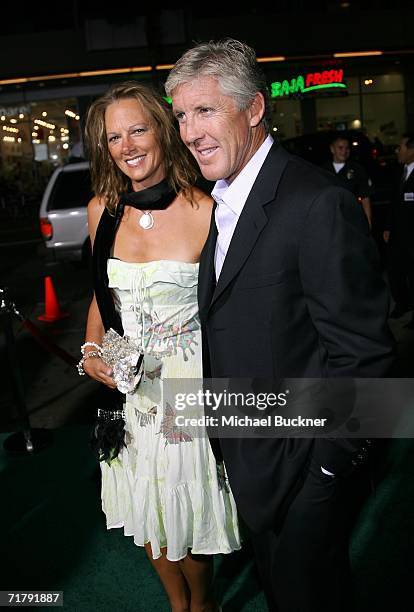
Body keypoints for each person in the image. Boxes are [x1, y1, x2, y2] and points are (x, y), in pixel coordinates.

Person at [166, 39, 395, 612]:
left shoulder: (317, 202)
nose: (190, 131)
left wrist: (325, 475)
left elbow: (366, 357)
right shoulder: (222, 199)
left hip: (304, 475)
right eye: (181, 115)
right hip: (254, 466)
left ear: (254, 109)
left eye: (205, 110)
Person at [81, 81, 240, 612]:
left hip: (185, 386)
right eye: (113, 136)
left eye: (138, 129)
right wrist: (90, 350)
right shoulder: (100, 209)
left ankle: (204, 603)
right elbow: (102, 297)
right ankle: (178, 603)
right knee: (144, 498)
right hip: (129, 390)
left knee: (185, 506)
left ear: (163, 130)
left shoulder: (207, 209)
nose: (126, 145)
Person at [383, 133, 414, 327]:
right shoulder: (399, 172)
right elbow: (393, 203)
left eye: (400, 147)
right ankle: (402, 304)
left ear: (411, 150)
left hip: (412, 237)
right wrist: (387, 227)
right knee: (395, 273)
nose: (397, 151)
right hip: (397, 235)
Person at [322, 133, 373, 228]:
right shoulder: (323, 170)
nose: (344, 151)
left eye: (347, 148)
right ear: (332, 149)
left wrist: (368, 223)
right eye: (340, 148)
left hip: (351, 219)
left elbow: (365, 198)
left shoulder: (357, 170)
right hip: (329, 219)